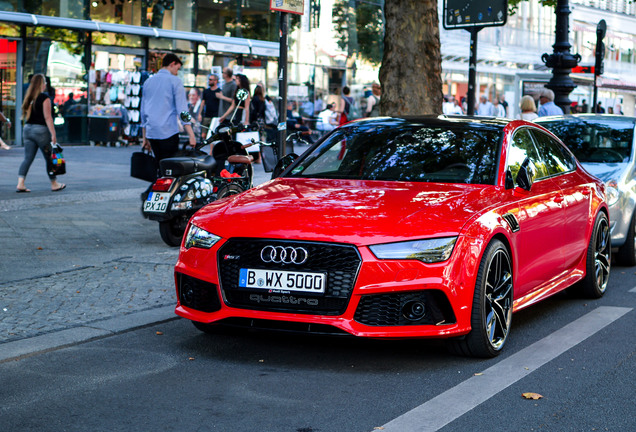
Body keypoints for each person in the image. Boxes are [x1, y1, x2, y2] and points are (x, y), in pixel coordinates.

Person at [140, 53, 196, 164]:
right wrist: (191, 135)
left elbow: (143, 111)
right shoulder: (175, 81)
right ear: (172, 64)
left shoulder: (148, 82)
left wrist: (144, 137)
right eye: (177, 68)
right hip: (168, 131)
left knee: (159, 165)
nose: (177, 72)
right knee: (170, 168)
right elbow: (182, 111)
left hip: (152, 132)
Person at [16, 74, 66, 192]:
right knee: (49, 158)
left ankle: (20, 183)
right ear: (42, 84)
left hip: (28, 129)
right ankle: (54, 183)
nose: (46, 85)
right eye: (45, 83)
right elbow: (48, 117)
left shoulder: (29, 97)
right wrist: (53, 134)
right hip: (41, 131)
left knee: (27, 158)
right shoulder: (45, 98)